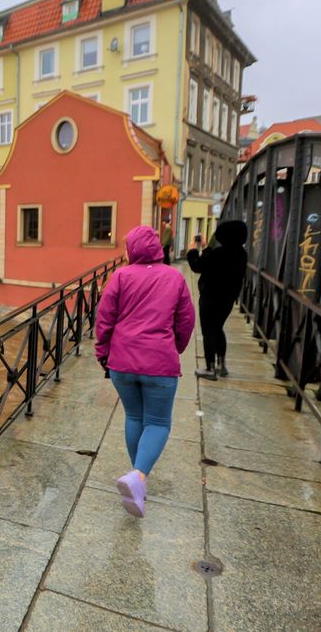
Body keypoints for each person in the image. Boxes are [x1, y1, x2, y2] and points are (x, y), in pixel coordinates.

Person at [95, 226, 195, 518]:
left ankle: (137, 478)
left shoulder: (121, 276)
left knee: (134, 417)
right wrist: (173, 347)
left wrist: (103, 354)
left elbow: (104, 319)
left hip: (122, 363)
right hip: (159, 364)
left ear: (132, 249)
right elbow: (186, 321)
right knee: (158, 422)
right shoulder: (175, 277)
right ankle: (138, 476)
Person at [185, 220, 248, 380]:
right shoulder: (241, 254)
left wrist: (193, 250)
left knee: (208, 331)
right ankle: (221, 365)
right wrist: (207, 248)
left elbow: (197, 266)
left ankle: (209, 368)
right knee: (218, 328)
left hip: (210, 297)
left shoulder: (219, 253)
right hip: (227, 299)